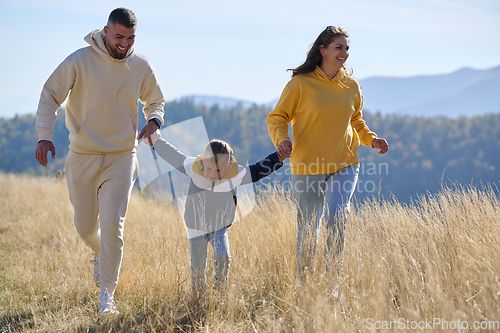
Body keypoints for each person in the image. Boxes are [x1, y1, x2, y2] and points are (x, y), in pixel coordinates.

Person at [34, 8, 165, 315]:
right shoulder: (79, 60)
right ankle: (97, 251)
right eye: (119, 36)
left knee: (113, 225)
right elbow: (50, 94)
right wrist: (44, 135)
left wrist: (154, 120)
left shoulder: (142, 65)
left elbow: (155, 100)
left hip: (122, 156)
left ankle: (107, 296)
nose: (125, 44)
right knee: (85, 227)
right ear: (106, 31)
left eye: (131, 38)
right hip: (83, 156)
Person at [267, 26, 389, 276]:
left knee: (337, 217)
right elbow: (277, 117)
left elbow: (356, 120)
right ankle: (305, 288)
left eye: (346, 48)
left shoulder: (352, 86)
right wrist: (282, 140)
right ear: (323, 51)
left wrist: (371, 140)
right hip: (307, 165)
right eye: (338, 47)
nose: (344, 53)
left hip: (344, 163)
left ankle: (332, 285)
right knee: (309, 229)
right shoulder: (301, 84)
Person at [144, 133, 284, 297]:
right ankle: (198, 295)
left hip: (219, 225)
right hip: (196, 225)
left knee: (223, 256)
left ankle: (219, 291)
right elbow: (173, 156)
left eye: (218, 170)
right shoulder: (193, 166)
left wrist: (277, 157)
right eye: (209, 168)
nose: (212, 174)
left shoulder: (235, 174)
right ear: (203, 160)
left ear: (228, 165)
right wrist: (155, 141)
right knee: (198, 264)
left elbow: (258, 170)